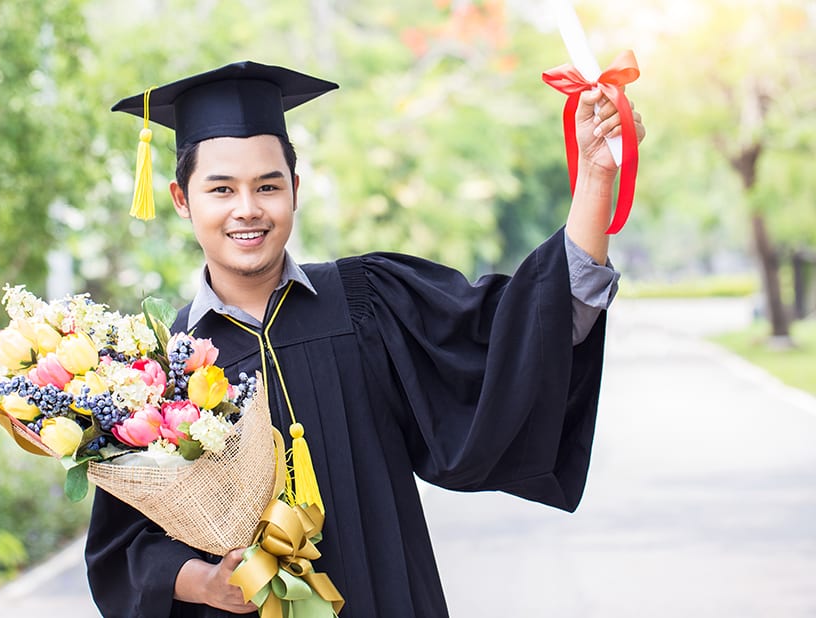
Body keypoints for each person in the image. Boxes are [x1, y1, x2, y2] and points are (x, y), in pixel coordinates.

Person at [85, 60, 645, 617]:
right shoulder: (155, 370)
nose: (247, 209)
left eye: (268, 185)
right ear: (182, 199)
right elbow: (123, 548)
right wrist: (206, 582)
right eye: (221, 189)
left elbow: (525, 332)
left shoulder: (369, 302)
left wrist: (597, 177)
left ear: (295, 191)